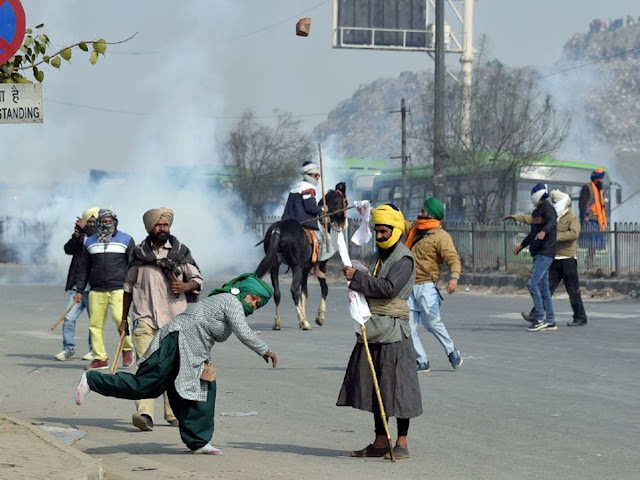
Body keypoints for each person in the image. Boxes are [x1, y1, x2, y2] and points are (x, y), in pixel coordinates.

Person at [75, 273, 278, 455]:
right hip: (175, 341)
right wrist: (264, 350)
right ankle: (93, 380)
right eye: (253, 298)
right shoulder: (230, 301)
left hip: (193, 350)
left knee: (200, 389)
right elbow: (243, 331)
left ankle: (198, 442)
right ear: (243, 292)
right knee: (146, 385)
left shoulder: (229, 303)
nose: (254, 304)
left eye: (259, 303)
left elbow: (204, 332)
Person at [338, 204, 422, 460]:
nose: (379, 236)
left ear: (395, 230)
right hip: (374, 328)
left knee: (400, 389)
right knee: (376, 387)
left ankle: (402, 443)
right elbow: (374, 284)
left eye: (384, 231)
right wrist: (357, 273)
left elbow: (387, 289)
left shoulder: (404, 258)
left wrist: (357, 278)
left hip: (395, 332)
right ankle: (379, 441)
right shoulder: (381, 257)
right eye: (376, 232)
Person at [121, 207, 204, 432]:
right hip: (145, 320)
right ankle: (144, 414)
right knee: (147, 367)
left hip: (176, 321)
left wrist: (186, 285)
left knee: (172, 368)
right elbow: (127, 289)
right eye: (158, 225)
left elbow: (197, 279)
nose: (162, 228)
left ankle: (172, 412)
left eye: (165, 225)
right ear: (150, 227)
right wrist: (123, 320)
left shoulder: (180, 252)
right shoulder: (139, 255)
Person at [505, 190, 588, 327]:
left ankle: (580, 317)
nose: (553, 204)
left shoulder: (572, 218)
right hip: (554, 258)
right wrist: (516, 217)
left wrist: (553, 236)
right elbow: (532, 220)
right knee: (546, 287)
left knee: (572, 290)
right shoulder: (553, 216)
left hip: (567, 258)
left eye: (555, 202)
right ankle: (536, 315)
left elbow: (574, 233)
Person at [404, 197, 462, 373]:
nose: (419, 213)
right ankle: (421, 361)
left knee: (432, 323)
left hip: (427, 287)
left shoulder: (441, 237)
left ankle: (451, 350)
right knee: (407, 326)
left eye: (423, 211)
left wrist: (454, 278)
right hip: (409, 286)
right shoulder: (414, 230)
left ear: (431, 214)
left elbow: (453, 259)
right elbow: (398, 221)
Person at [75, 209, 135, 370]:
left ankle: (127, 349)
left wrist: (134, 287)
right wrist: (80, 290)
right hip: (96, 289)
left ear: (115, 221)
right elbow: (84, 269)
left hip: (119, 288)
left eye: (110, 221)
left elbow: (133, 266)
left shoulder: (126, 239)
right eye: (104, 221)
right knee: (95, 325)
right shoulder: (90, 242)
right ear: (99, 223)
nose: (107, 223)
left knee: (120, 319)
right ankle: (100, 358)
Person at [54, 207, 99, 361]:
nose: (91, 225)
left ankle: (95, 351)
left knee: (95, 322)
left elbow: (96, 237)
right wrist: (76, 235)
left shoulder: (101, 237)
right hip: (77, 285)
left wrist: (85, 227)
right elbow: (68, 249)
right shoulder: (82, 236)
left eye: (94, 222)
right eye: (89, 222)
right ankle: (68, 349)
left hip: (94, 286)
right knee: (68, 318)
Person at [513, 183, 557, 332]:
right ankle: (550, 321)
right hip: (538, 253)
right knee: (544, 288)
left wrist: (544, 231)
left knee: (532, 284)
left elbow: (552, 223)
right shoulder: (536, 212)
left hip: (545, 253)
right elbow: (533, 233)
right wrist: (521, 246)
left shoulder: (548, 209)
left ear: (538, 194)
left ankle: (539, 318)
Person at [281, 161, 327, 278]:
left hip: (287, 220)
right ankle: (315, 267)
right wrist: (322, 209)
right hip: (303, 221)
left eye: (318, 176)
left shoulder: (296, 186)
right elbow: (310, 207)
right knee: (321, 237)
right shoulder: (309, 187)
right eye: (316, 175)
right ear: (310, 175)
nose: (317, 178)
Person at [579, 168, 608, 271]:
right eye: (600, 179)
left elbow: (602, 206)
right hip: (589, 220)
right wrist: (584, 216)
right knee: (590, 243)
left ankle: (590, 261)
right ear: (596, 179)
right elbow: (582, 203)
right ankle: (588, 262)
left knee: (595, 244)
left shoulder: (600, 191)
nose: (602, 181)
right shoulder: (587, 188)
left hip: (598, 221)